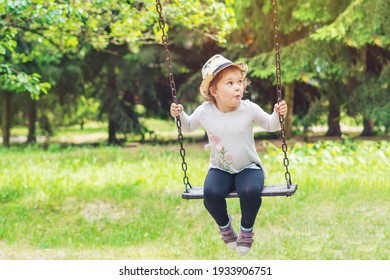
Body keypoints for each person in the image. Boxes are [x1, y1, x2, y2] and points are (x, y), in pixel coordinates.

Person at [170, 54, 288, 256]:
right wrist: (179, 114)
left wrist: (278, 114)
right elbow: (188, 126)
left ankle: (246, 229)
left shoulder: (248, 108)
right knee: (211, 194)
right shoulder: (205, 111)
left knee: (250, 190)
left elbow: (270, 125)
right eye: (230, 83)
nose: (237, 87)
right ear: (214, 90)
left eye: (240, 82)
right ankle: (225, 226)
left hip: (248, 167)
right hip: (220, 168)